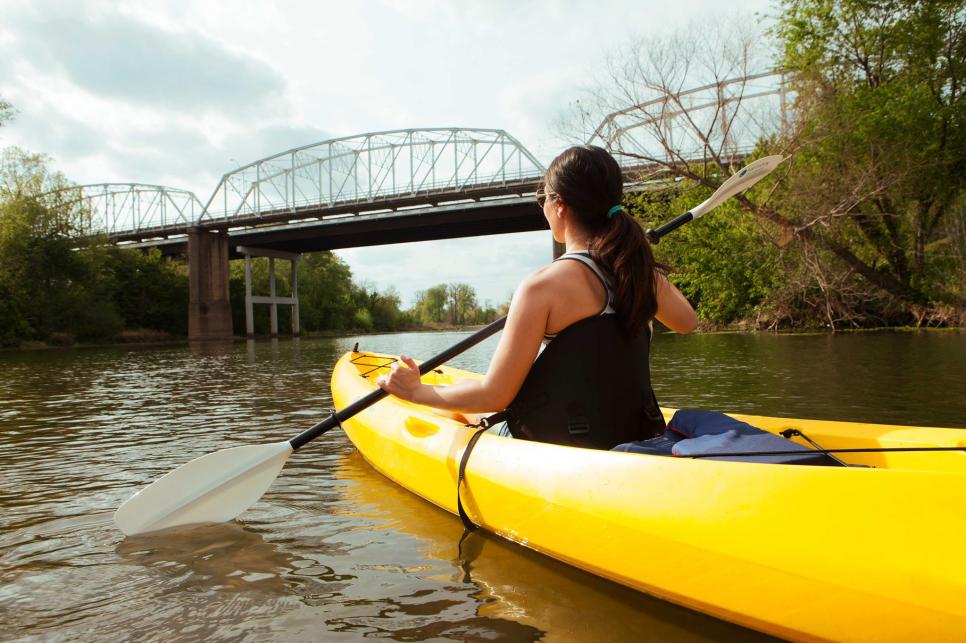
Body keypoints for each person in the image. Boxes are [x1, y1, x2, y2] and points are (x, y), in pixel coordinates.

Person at [377, 145, 698, 450]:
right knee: (464, 394)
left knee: (456, 408)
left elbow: (495, 396)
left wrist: (417, 392)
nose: (542, 206)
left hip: (555, 441)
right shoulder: (641, 274)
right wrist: (634, 255)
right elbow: (687, 323)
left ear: (559, 204)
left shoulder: (542, 286)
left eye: (541, 198)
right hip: (635, 431)